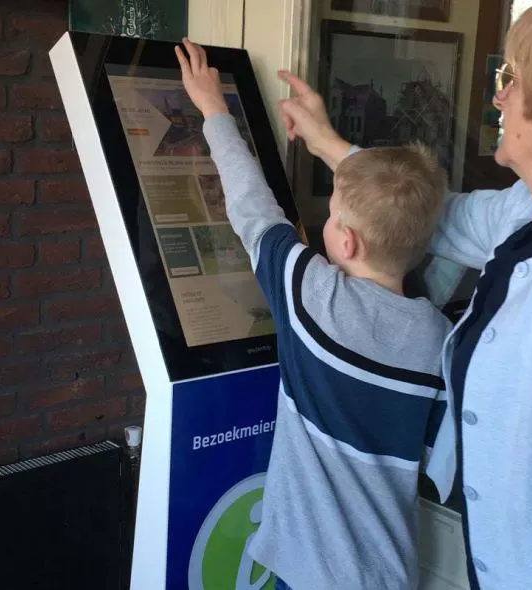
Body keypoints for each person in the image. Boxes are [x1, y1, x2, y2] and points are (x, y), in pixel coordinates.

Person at [277, 1, 532, 588]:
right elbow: (423, 216)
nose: (497, 98)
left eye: (510, 80)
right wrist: (325, 143)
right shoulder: (524, 211)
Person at [175, 39, 455, 590]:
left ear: (346, 242)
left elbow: (252, 208)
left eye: (330, 216)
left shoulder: (312, 298)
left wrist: (212, 110)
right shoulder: (438, 338)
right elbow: (434, 462)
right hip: (387, 574)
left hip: (305, 572)